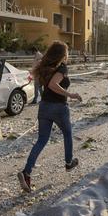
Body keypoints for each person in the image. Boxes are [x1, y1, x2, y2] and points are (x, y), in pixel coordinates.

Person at [18, 41, 82, 192]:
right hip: (58, 107)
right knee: (67, 134)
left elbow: (47, 84)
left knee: (41, 140)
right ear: (61, 54)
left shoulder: (45, 68)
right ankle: (68, 163)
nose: (67, 55)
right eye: (66, 52)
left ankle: (26, 172)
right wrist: (71, 94)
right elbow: (54, 85)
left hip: (44, 107)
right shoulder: (61, 68)